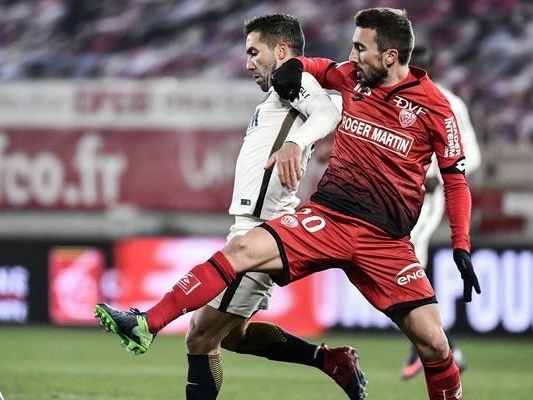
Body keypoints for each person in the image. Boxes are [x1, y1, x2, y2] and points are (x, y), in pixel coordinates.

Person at [95, 8, 481, 400]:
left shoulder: (436, 108)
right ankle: (150, 322)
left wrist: (461, 243)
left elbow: (455, 180)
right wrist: (294, 66)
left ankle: (330, 360)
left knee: (434, 345)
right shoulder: (350, 77)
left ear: (390, 56)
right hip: (328, 217)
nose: (351, 55)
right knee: (240, 256)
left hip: (386, 241)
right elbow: (312, 65)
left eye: (360, 48)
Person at [182, 14, 365, 400]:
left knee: (200, 337)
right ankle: (329, 360)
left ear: (281, 52)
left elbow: (330, 110)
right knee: (233, 336)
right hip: (253, 226)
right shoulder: (278, 95)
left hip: (260, 231)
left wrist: (297, 143)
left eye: (254, 52)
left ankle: (328, 360)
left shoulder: (293, 83)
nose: (248, 63)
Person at [400, 45, 482, 380]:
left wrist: (437, 174)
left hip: (425, 197)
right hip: (392, 195)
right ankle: (442, 346)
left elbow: (470, 156)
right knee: (403, 266)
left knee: (407, 261)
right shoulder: (393, 98)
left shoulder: (448, 103)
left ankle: (431, 345)